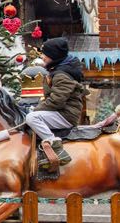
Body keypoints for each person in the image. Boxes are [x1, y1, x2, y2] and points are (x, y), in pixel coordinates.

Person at [24, 37, 89, 174]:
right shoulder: (59, 70)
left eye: (45, 54)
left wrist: (35, 110)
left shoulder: (61, 75)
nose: (42, 57)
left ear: (53, 56)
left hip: (65, 115)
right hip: (61, 112)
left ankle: (55, 145)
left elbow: (56, 101)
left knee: (32, 118)